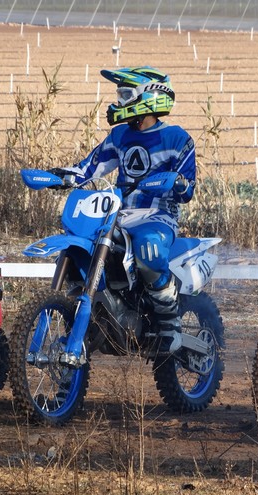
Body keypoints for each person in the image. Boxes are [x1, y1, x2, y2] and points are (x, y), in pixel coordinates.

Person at [56, 66, 196, 353]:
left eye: (125, 94)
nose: (118, 101)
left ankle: (170, 323)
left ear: (149, 98)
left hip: (158, 216)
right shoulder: (119, 136)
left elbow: (188, 190)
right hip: (118, 215)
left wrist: (178, 182)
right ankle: (89, 308)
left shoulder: (177, 138)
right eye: (119, 95)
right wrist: (62, 176)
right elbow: (89, 168)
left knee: (148, 248)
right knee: (83, 243)